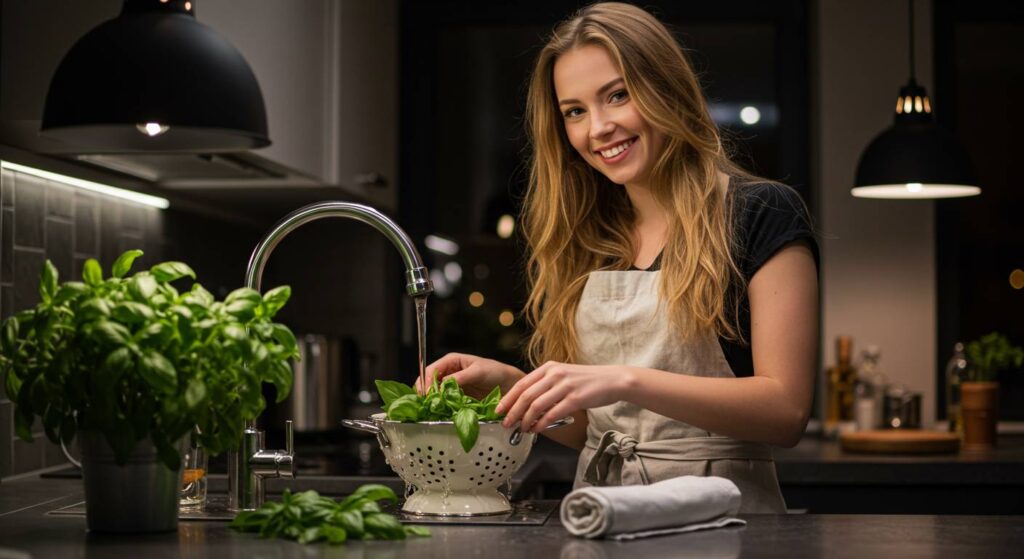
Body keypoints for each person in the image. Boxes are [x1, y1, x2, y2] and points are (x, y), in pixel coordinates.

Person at [425, 2, 819, 513]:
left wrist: (622, 379)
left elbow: (785, 411)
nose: (599, 128)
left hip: (724, 520)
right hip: (599, 514)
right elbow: (597, 427)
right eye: (575, 111)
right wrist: (516, 387)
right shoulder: (587, 238)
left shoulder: (759, 211)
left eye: (617, 95)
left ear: (665, 89)